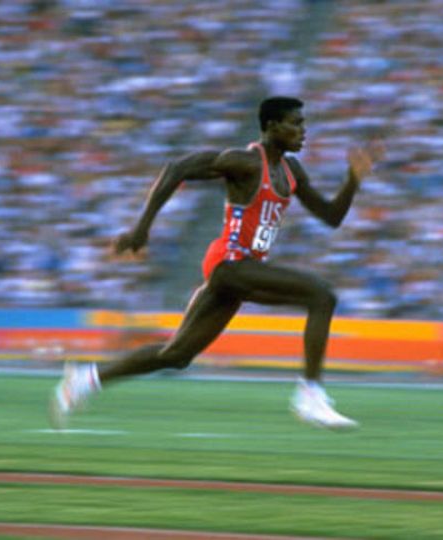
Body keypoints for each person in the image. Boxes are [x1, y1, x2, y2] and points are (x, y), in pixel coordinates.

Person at [49, 96, 385, 430]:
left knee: (176, 356)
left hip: (240, 272)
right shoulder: (246, 162)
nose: (303, 130)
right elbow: (176, 169)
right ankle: (310, 395)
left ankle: (84, 379)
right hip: (230, 264)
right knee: (321, 296)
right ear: (271, 127)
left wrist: (353, 180)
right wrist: (141, 228)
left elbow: (331, 216)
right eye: (295, 123)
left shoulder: (292, 171)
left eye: (304, 123)